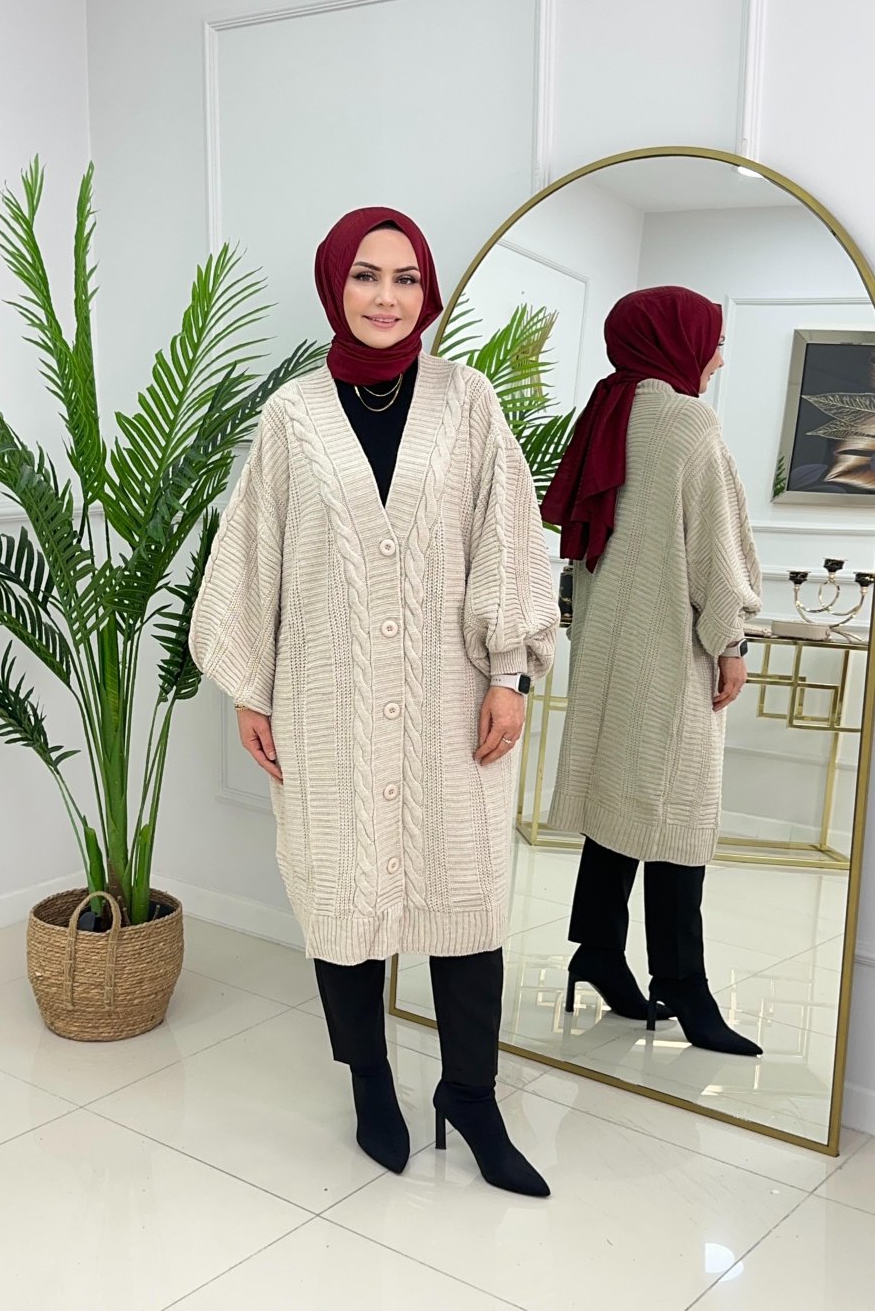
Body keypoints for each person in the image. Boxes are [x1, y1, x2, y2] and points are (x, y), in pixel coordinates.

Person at [189, 207, 560, 1194]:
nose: (386, 297)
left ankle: (471, 1095)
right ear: (334, 285)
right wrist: (251, 690)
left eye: (405, 278)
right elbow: (254, 555)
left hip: (453, 704)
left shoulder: (468, 401)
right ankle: (369, 1080)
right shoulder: (292, 416)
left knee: (465, 896)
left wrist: (509, 674)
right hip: (326, 701)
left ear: (425, 292)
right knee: (342, 895)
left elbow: (508, 539)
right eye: (365, 275)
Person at [542, 285, 763, 1057]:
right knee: (677, 813)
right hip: (671, 650)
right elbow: (717, 549)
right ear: (676, 339)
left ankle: (598, 950)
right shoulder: (687, 421)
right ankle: (683, 983)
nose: (719, 358)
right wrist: (731, 642)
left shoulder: (608, 409)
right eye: (713, 340)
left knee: (622, 795)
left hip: (608, 648)